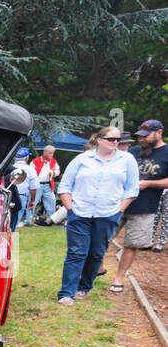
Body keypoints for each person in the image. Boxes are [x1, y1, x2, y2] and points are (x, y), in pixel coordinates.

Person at [55, 126, 139, 305]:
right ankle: (66, 292)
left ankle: (84, 286)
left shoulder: (127, 160)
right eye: (111, 139)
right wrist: (70, 208)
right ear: (99, 140)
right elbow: (65, 186)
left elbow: (132, 189)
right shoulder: (82, 159)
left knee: (96, 253)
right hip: (80, 213)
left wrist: (120, 209)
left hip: (108, 214)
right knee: (77, 252)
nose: (115, 143)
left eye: (118, 140)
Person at [108, 120, 168, 294]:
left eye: (145, 136)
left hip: (145, 207)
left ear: (159, 133)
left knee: (132, 244)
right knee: (101, 239)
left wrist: (148, 183)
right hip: (117, 204)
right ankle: (95, 270)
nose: (141, 139)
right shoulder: (132, 152)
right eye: (139, 136)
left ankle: (119, 278)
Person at [32, 145, 60, 222]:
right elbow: (30, 173)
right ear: (45, 153)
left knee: (52, 201)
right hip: (37, 185)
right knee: (33, 201)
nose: (52, 155)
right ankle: (28, 220)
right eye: (50, 153)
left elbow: (58, 171)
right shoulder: (35, 161)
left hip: (48, 185)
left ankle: (51, 220)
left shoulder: (54, 161)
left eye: (53, 153)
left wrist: (53, 173)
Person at [12, 147, 38, 226]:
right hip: (21, 197)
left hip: (7, 196)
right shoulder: (30, 170)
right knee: (15, 223)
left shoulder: (9, 168)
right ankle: (12, 237)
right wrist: (32, 200)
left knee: (5, 222)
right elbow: (33, 188)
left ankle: (3, 237)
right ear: (27, 157)